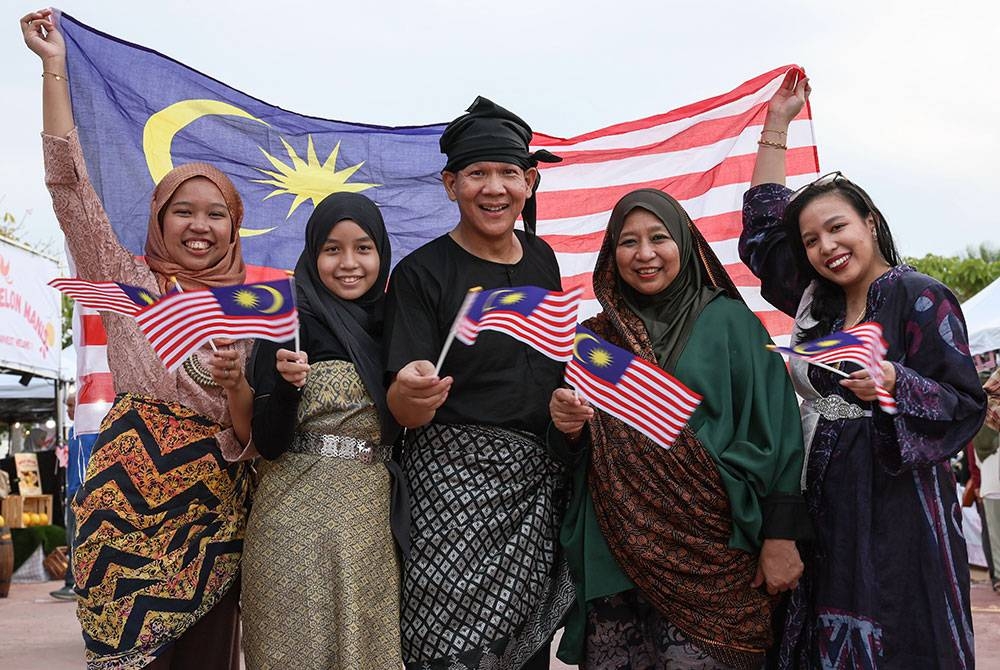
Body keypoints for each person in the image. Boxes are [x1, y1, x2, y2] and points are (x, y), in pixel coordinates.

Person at [24, 9, 254, 669]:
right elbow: (69, 188)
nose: (199, 225)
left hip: (213, 523)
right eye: (183, 210)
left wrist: (243, 387)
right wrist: (54, 69)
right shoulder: (127, 279)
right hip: (121, 517)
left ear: (235, 228)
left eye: (216, 214)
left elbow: (261, 424)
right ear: (160, 218)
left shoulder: (256, 310)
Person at [740, 69, 987, 668]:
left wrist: (898, 382)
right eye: (813, 239)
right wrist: (776, 125)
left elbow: (964, 402)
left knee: (899, 627)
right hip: (818, 495)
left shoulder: (921, 296)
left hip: (898, 505)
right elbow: (763, 231)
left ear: (869, 224)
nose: (826, 246)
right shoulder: (812, 300)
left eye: (837, 227)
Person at [549, 189, 810, 669]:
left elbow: (779, 433)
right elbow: (584, 450)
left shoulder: (733, 324)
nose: (644, 254)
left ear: (685, 243)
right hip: (616, 558)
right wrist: (568, 428)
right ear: (612, 252)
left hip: (721, 554)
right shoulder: (594, 341)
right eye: (628, 241)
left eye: (658, 238)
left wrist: (781, 537)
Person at [384, 96, 573, 669]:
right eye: (477, 174)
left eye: (508, 174)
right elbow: (403, 405)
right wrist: (411, 394)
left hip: (533, 490)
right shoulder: (420, 274)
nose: (493, 188)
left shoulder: (543, 261)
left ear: (530, 182)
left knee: (526, 653)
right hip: (448, 497)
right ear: (450, 184)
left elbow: (552, 361)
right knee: (442, 649)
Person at [241, 192, 403, 669]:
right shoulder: (287, 321)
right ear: (313, 253)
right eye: (332, 249)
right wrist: (289, 388)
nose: (348, 263)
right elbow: (267, 444)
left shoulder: (395, 324)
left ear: (382, 254)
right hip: (292, 529)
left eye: (363, 248)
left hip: (369, 529)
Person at [50, 391, 83, 601]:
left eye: (72, 406)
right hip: (72, 490)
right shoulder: (72, 431)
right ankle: (71, 582)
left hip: (80, 490)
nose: (69, 410)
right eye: (68, 406)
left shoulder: (85, 431)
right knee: (70, 537)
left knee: (75, 538)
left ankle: (73, 584)